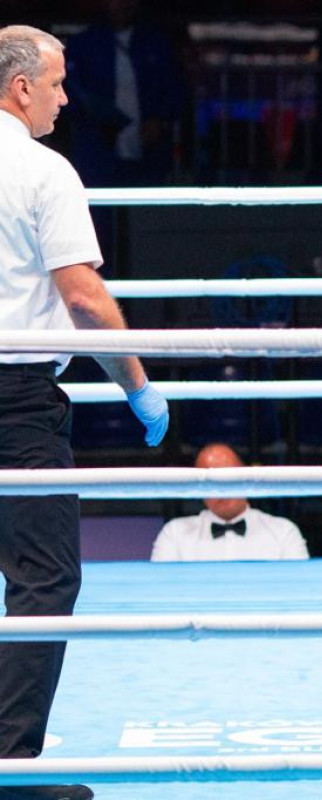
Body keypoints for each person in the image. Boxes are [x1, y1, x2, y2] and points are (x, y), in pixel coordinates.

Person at [0, 24, 168, 799]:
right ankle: (11, 765)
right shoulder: (41, 169)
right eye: (59, 84)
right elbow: (84, 299)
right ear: (21, 86)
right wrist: (137, 384)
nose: (68, 99)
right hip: (15, 402)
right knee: (44, 579)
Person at [64, 0, 187, 188]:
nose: (122, 5)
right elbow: (70, 94)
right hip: (97, 147)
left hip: (149, 148)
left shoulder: (157, 43)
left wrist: (160, 120)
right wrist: (99, 117)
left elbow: (175, 88)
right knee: (99, 208)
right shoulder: (83, 45)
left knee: (147, 209)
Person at [150, 443, 309, 562]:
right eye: (211, 480)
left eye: (228, 476)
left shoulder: (284, 532)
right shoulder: (174, 534)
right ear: (199, 488)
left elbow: (300, 592)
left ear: (246, 476)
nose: (222, 488)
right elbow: (160, 594)